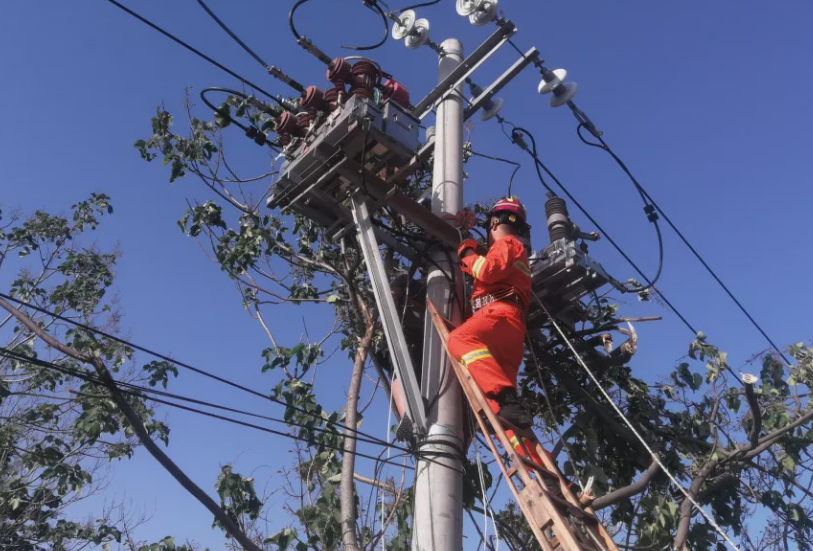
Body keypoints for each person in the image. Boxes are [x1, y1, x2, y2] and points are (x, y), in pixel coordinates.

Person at [447, 196, 534, 429]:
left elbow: (486, 270)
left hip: (499, 315)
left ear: (494, 223)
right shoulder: (516, 250)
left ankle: (507, 398)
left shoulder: (507, 244)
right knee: (503, 415)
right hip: (507, 328)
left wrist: (467, 251)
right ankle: (536, 460)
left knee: (460, 338)